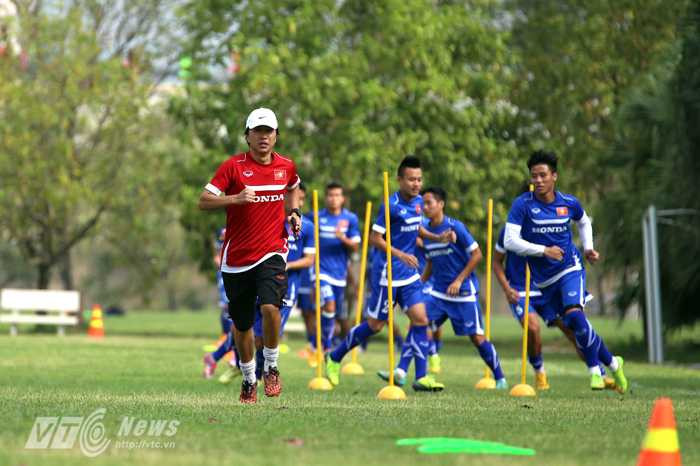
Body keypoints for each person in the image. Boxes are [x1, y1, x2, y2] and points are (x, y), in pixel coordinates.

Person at [198, 107, 302, 404]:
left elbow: (293, 187)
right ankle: (247, 379)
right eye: (258, 132)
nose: (263, 137)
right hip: (237, 258)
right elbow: (204, 201)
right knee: (242, 326)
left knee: (271, 308)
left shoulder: (286, 166)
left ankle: (271, 366)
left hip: (273, 250)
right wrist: (235, 198)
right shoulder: (233, 167)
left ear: (276, 136)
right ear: (247, 136)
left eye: (269, 131)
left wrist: (294, 212)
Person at [504, 150, 628, 392]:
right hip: (544, 281)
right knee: (575, 324)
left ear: (554, 176)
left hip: (570, 267)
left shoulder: (568, 203)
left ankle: (595, 371)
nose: (538, 180)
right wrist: (543, 251)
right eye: (534, 176)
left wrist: (588, 247)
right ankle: (614, 362)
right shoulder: (522, 205)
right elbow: (510, 241)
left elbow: (584, 221)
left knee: (574, 316)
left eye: (543, 175)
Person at [325, 156, 452, 392]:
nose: (416, 184)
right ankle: (334, 356)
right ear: (400, 180)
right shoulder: (390, 205)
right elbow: (375, 239)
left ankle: (422, 377)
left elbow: (416, 227)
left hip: (409, 274)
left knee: (421, 320)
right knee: (375, 325)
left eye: (419, 179)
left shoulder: (418, 202)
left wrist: (436, 237)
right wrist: (401, 255)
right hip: (388, 273)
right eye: (411, 179)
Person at [378, 187, 507, 389]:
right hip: (438, 293)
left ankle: (500, 378)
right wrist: (420, 282)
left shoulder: (456, 227)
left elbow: (477, 255)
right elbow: (431, 260)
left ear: (441, 204)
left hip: (463, 293)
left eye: (429, 203)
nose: (425, 207)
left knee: (477, 338)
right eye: (423, 203)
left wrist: (458, 281)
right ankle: (401, 372)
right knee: (418, 324)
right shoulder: (425, 230)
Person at [494, 224, 616, 390]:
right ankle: (540, 373)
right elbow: (496, 262)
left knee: (573, 330)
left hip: (547, 287)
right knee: (533, 327)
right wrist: (507, 289)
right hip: (519, 291)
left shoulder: (548, 225)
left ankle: (600, 373)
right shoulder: (509, 230)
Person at [253, 183, 315, 379]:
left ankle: (265, 373)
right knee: (258, 336)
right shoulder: (270, 220)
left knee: (273, 331)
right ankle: (258, 370)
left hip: (289, 287)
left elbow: (310, 259)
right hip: (264, 281)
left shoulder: (307, 227)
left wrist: (287, 265)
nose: (297, 202)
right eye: (292, 197)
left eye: (301, 199)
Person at [312, 182, 361, 352]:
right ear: (326, 198)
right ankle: (325, 345)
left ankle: (325, 341)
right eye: (330, 195)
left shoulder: (350, 219)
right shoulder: (316, 216)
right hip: (320, 271)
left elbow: (355, 247)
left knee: (335, 313)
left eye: (337, 195)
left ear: (343, 198)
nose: (333, 199)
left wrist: (342, 238)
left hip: (340, 274)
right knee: (329, 304)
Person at [202, 227, 239, 381]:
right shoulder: (224, 231)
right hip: (229, 274)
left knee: (241, 326)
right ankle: (234, 360)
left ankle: (216, 358)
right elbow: (217, 257)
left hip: (239, 272)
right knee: (236, 321)